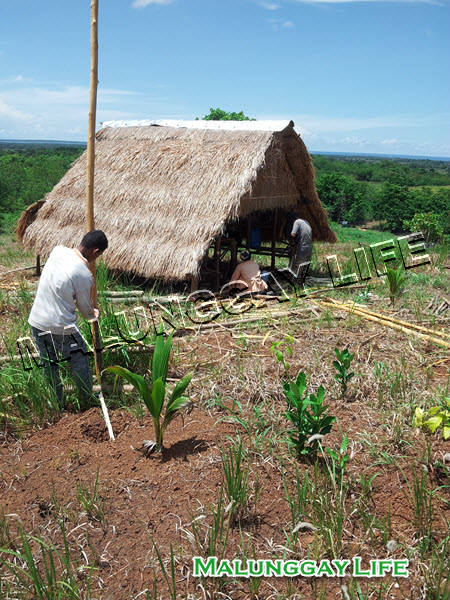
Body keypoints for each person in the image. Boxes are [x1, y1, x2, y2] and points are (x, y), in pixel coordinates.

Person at [28, 230, 108, 407]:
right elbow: (86, 311)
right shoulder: (83, 274)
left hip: (37, 321)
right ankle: (87, 400)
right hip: (61, 327)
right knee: (79, 360)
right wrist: (94, 312)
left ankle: (56, 403)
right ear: (95, 251)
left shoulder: (58, 251)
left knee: (49, 364)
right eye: (99, 255)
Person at [290, 217, 312, 287]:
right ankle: (302, 284)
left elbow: (293, 234)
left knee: (297, 268)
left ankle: (292, 285)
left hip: (303, 248)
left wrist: (293, 243)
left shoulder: (296, 222)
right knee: (304, 268)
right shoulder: (306, 221)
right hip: (309, 248)